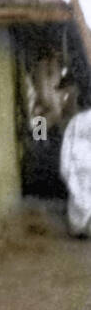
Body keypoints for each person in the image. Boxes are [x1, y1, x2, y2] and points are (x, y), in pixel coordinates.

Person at [59, 99, 91, 238]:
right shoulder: (41, 108)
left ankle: (80, 226)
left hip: (77, 160)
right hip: (77, 159)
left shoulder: (76, 119)